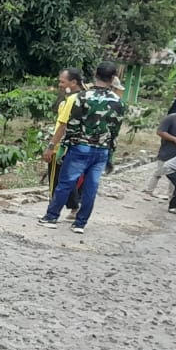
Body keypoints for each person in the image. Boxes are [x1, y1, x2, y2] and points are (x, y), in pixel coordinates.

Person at [38, 61, 126, 234]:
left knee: (65, 183)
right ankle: (80, 223)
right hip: (101, 149)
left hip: (80, 146)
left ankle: (51, 217)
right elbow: (115, 130)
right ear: (113, 78)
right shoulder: (118, 102)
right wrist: (110, 152)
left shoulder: (82, 97)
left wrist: (63, 147)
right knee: (91, 186)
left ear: (95, 74)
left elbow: (73, 125)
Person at [42, 68, 85, 208]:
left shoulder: (71, 100)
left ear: (73, 82)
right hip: (78, 146)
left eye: (62, 81)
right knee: (69, 177)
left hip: (61, 146)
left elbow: (62, 126)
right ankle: (74, 206)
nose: (60, 84)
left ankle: (52, 209)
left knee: (55, 178)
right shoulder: (85, 97)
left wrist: (51, 146)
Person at [145, 100, 176, 195]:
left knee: (175, 176)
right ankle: (149, 190)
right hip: (167, 151)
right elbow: (160, 132)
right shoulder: (171, 118)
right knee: (159, 172)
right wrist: (175, 139)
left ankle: (171, 195)